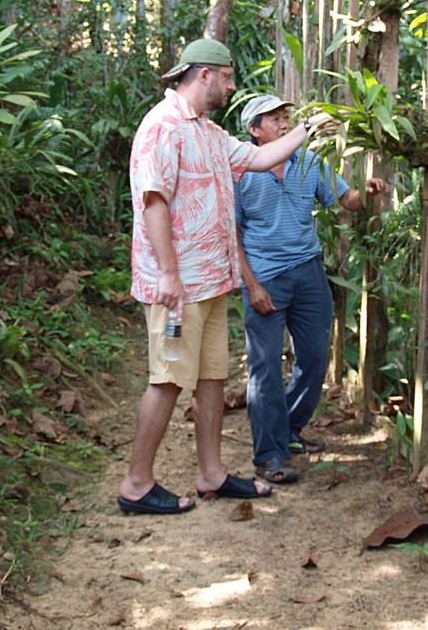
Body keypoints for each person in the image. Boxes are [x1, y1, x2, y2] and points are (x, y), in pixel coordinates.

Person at [118, 40, 332, 515]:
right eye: (228, 76)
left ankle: (211, 473)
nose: (233, 85)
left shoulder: (210, 134)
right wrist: (169, 275)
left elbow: (258, 158)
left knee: (213, 376)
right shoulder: (162, 127)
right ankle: (136, 483)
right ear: (204, 75)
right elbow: (153, 202)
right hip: (178, 288)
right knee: (168, 379)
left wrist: (309, 128)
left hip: (212, 282)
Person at [235, 94, 389, 484]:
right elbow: (230, 233)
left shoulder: (309, 162)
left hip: (308, 273)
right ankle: (269, 455)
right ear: (254, 131)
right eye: (273, 119)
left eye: (286, 116)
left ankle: (288, 428)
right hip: (265, 278)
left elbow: (345, 200)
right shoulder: (240, 172)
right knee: (265, 366)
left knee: (315, 357)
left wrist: (365, 193)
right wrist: (252, 284)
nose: (284, 122)